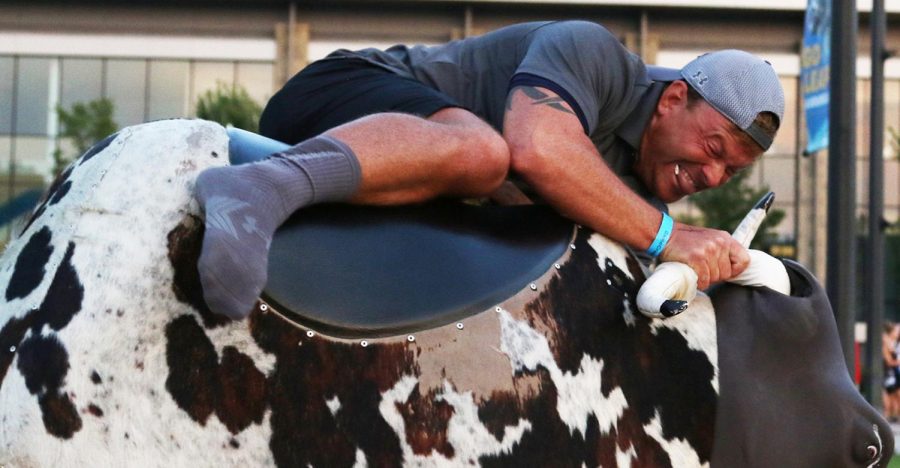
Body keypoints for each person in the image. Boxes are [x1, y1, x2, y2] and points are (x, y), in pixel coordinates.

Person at [194, 20, 784, 320]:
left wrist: (705, 268)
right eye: (712, 148)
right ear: (674, 97)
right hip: (337, 95)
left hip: (406, 195)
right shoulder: (593, 51)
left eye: (730, 173)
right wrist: (672, 238)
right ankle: (255, 188)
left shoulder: (633, 198)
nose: (710, 176)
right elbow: (539, 150)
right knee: (487, 155)